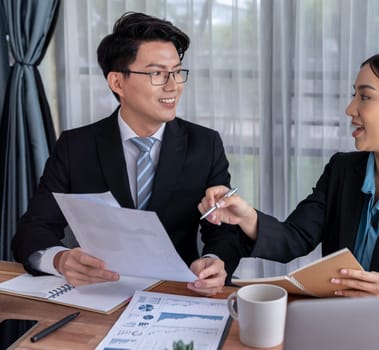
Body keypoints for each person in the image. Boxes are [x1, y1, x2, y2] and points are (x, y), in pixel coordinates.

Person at [199, 49, 379, 296]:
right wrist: (247, 216)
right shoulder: (342, 170)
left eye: (365, 97)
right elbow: (295, 237)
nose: (350, 109)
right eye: (353, 95)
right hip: (336, 325)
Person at [11, 12, 249, 296]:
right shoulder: (76, 147)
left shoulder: (205, 144)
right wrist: (61, 259)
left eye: (177, 71)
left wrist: (214, 260)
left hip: (178, 292)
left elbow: (221, 229)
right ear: (117, 83)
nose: (173, 86)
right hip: (99, 293)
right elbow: (32, 231)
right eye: (157, 73)